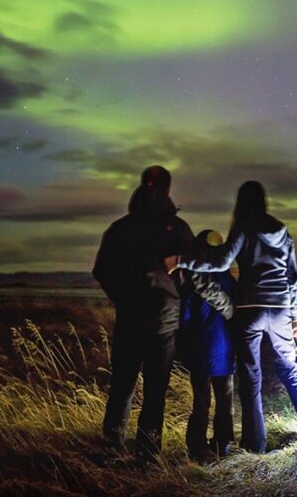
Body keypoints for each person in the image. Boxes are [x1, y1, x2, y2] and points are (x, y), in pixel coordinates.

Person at [166, 180, 297, 454]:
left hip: (249, 309)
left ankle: (255, 445)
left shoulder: (242, 227)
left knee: (251, 376)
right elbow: (292, 278)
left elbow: (220, 263)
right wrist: (295, 317)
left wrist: (180, 260)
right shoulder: (282, 230)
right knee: (289, 365)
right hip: (279, 310)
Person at [92, 165, 194, 461]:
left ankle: (111, 446)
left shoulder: (120, 228)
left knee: (122, 385)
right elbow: (194, 271)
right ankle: (148, 456)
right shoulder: (178, 228)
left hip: (130, 318)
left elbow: (101, 270)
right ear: (167, 188)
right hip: (164, 320)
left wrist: (121, 296)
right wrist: (178, 296)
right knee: (155, 391)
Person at [177, 230, 237, 461]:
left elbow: (185, 318)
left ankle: (197, 448)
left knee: (201, 401)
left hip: (201, 348)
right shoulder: (229, 280)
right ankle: (225, 444)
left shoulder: (192, 281)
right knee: (225, 400)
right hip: (225, 350)